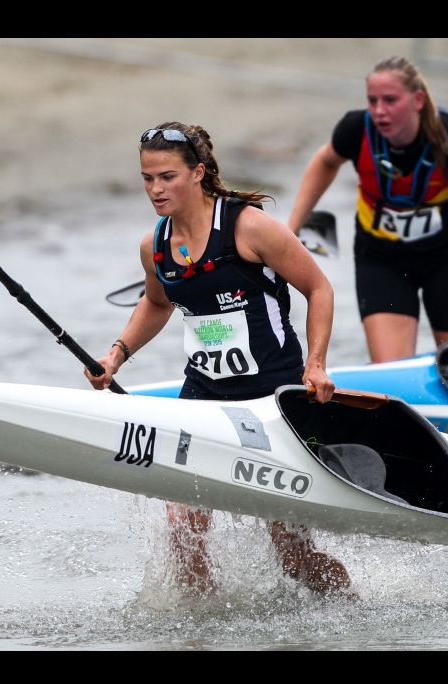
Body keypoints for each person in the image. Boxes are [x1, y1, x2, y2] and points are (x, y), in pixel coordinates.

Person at [85, 121, 351, 597]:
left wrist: (316, 364)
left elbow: (319, 288)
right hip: (203, 395)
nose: (155, 189)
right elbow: (157, 303)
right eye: (147, 178)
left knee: (292, 555)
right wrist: (116, 356)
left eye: (167, 176)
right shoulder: (155, 246)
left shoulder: (249, 228)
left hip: (273, 398)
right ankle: (199, 631)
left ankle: (348, 612)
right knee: (184, 534)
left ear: (198, 173)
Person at [288, 56, 448, 363]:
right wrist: (291, 231)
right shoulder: (356, 130)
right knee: (390, 373)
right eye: (372, 101)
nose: (379, 110)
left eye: (390, 100)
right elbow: (325, 161)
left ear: (418, 100)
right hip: (383, 261)